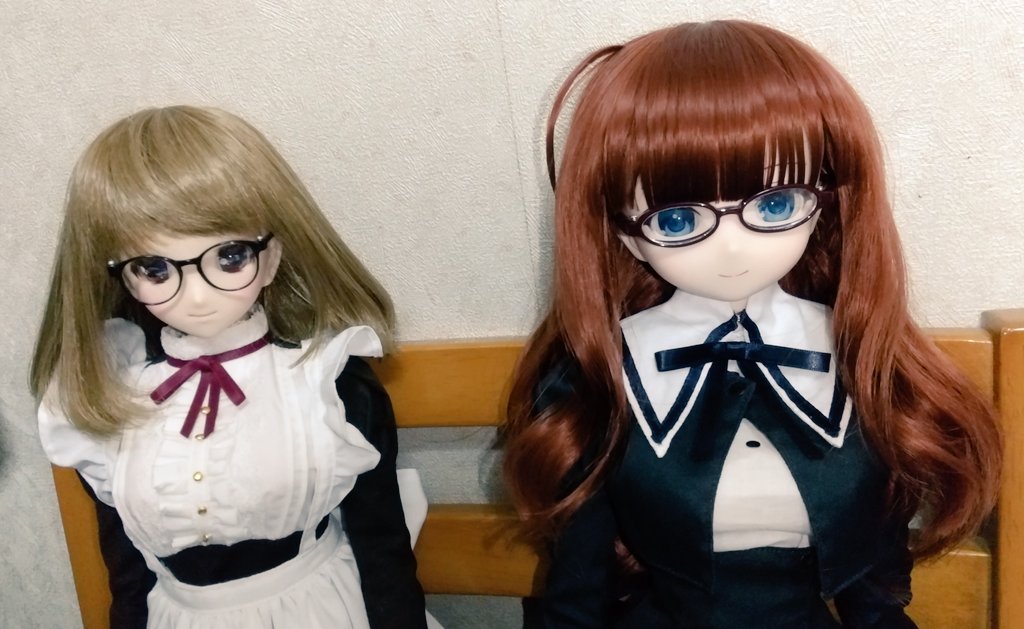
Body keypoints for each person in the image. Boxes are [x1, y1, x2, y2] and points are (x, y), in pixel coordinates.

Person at [502, 20, 1002, 628]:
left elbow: (875, 590)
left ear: (824, 203)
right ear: (625, 232)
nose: (732, 248)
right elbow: (577, 593)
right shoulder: (601, 371)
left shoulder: (858, 352)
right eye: (678, 219)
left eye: (774, 204)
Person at [31, 105, 433, 629]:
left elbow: (382, 546)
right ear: (123, 276)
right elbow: (128, 572)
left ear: (270, 259)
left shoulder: (324, 380)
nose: (197, 296)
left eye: (229, 258)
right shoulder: (111, 391)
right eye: (155, 269)